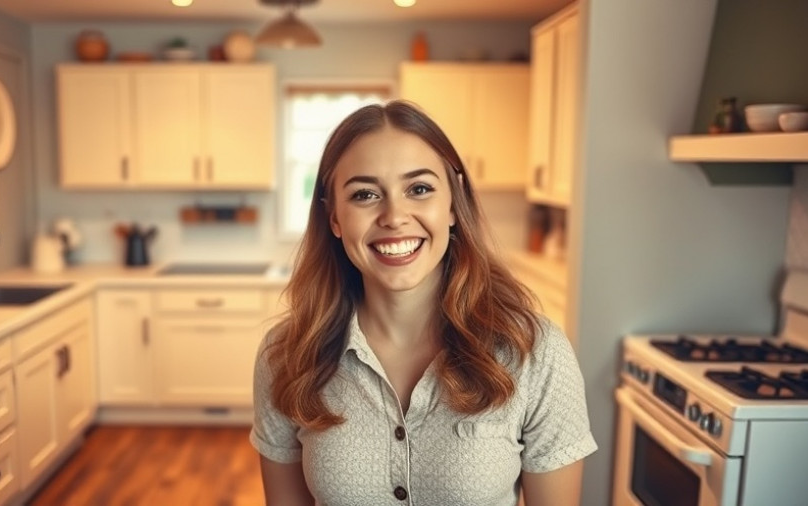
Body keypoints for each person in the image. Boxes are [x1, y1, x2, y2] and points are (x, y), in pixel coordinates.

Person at [250, 100, 597, 505]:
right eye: (365, 194)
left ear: (452, 204)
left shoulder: (535, 353)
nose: (395, 216)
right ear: (335, 219)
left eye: (419, 189)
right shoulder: (286, 356)